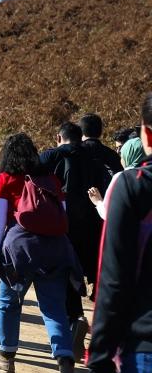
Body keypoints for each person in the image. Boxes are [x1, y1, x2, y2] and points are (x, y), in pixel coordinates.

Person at [0, 133, 79, 373]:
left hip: (19, 249)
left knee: (8, 302)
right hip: (54, 249)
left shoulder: (5, 180)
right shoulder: (50, 180)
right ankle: (65, 358)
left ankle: (6, 358)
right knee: (53, 306)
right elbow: (63, 215)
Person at [88, 92, 152, 373]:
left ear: (147, 135)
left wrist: (100, 355)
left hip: (144, 344)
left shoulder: (134, 185)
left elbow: (113, 277)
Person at [40, 122, 101, 361]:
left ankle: (75, 320)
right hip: (95, 226)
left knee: (67, 278)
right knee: (93, 278)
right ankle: (93, 334)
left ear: (58, 137)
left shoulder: (54, 156)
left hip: (63, 227)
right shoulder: (95, 157)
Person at [79, 113, 123, 195]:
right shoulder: (112, 154)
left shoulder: (75, 152)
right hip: (108, 202)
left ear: (81, 131)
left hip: (80, 203)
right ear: (100, 131)